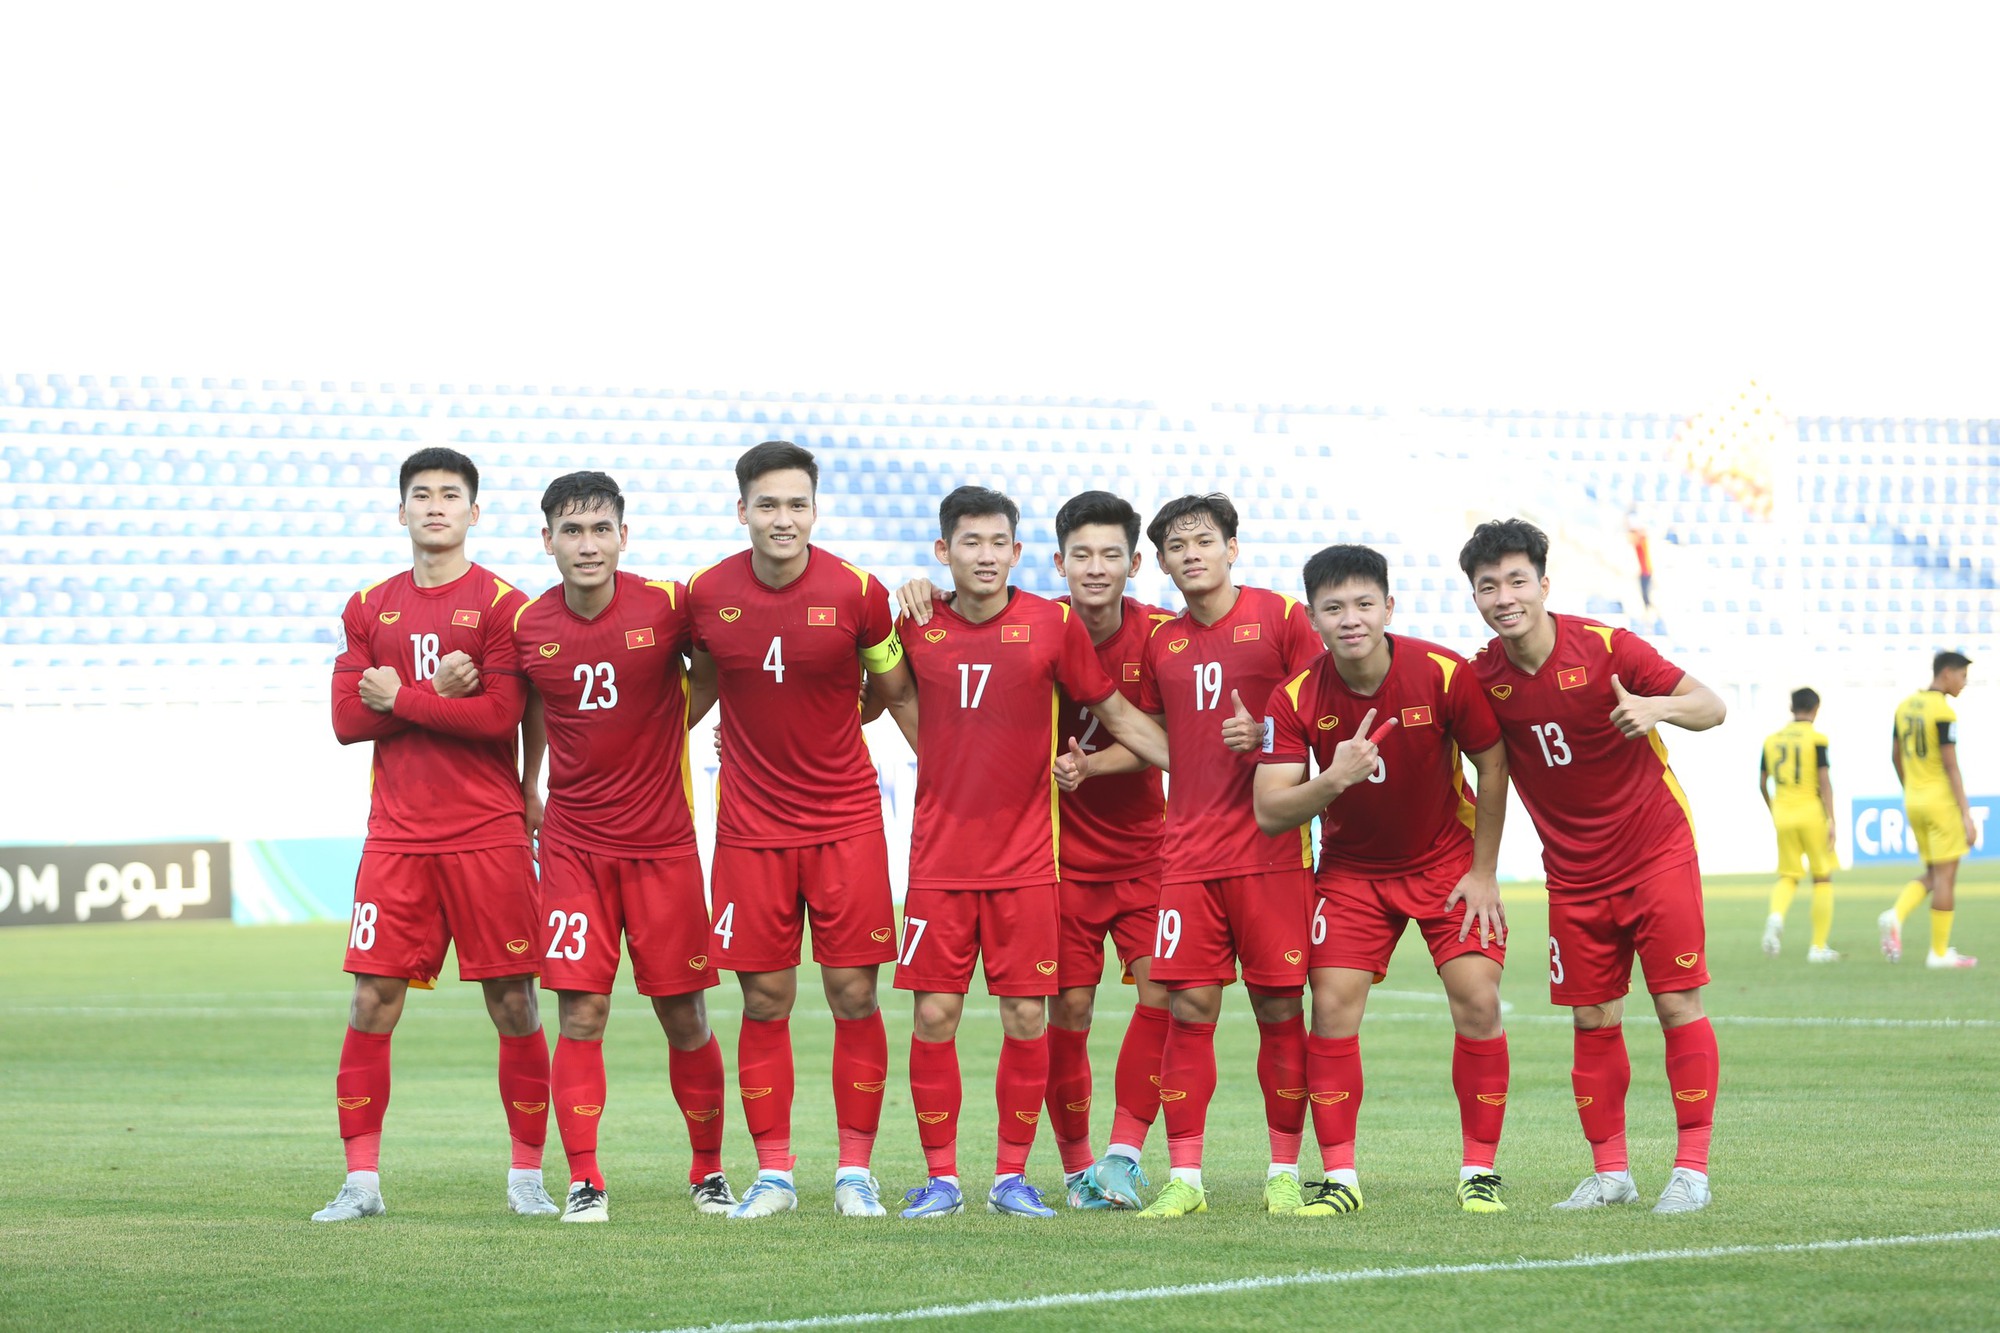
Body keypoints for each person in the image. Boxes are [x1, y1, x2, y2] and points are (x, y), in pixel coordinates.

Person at [877, 485, 1169, 1221]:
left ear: (1016, 551)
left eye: (997, 542)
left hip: (1031, 864)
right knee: (934, 1017)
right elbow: (865, 700)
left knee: (1028, 1021)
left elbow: (1115, 712)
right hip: (939, 862)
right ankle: (941, 1178)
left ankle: (1011, 1177)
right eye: (968, 542)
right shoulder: (914, 622)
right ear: (944, 553)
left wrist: (1200, 766)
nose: (984, 554)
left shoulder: (1051, 623)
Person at [1459, 518, 1727, 1215]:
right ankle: (1612, 1174)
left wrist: (1655, 706)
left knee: (1675, 1003)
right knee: (1591, 1019)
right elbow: (1485, 771)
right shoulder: (1482, 677)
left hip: (1655, 851)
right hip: (1573, 876)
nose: (1504, 596)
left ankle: (1691, 1171)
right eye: (1488, 586)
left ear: (1544, 584)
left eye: (1517, 580)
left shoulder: (1608, 647)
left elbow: (1712, 705)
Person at [316, 447, 554, 1223]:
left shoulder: (503, 606)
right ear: (401, 511)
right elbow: (348, 720)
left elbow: (497, 716)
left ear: (475, 513)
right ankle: (361, 1183)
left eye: (451, 495)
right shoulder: (367, 604)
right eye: (421, 495)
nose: (435, 506)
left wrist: (401, 696)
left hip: (488, 834)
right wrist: (430, 692)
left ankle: (526, 1177)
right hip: (397, 839)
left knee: (514, 1001)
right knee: (371, 1001)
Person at [683, 441, 909, 1219]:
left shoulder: (858, 591)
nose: (784, 519)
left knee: (853, 994)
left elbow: (895, 691)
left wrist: (949, 778)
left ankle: (855, 1170)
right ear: (741, 508)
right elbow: (699, 687)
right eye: (768, 505)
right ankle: (773, 1173)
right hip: (749, 830)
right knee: (765, 999)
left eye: (797, 504)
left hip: (846, 820)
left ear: (815, 508)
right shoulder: (705, 594)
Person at [1253, 544, 1513, 1216]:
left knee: (1477, 998)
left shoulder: (1444, 673)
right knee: (1332, 1008)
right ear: (1312, 617)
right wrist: (1334, 776)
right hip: (1351, 875)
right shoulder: (1298, 695)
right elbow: (1270, 808)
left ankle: (1480, 1170)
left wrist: (1484, 872)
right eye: (1333, 607)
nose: (1351, 618)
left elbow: (1492, 764)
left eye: (1364, 603)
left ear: (1389, 607)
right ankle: (1341, 1177)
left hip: (1445, 863)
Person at [501, 471, 731, 1223]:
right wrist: (530, 782)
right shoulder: (529, 626)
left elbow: (721, 661)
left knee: (685, 1016)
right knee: (581, 1015)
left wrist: (676, 725)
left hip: (663, 847)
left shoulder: (667, 604)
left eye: (601, 528)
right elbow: (531, 702)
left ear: (623, 535)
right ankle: (586, 1181)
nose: (588, 544)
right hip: (573, 849)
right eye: (572, 531)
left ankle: (708, 1171)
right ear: (548, 542)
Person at [1108, 493, 1324, 1220]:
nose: (1190, 552)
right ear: (1163, 562)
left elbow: (1327, 713)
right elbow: (1138, 724)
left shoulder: (1283, 618)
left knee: (1277, 1008)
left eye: (1204, 539)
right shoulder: (1160, 642)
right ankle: (1186, 1178)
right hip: (1189, 856)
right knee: (1188, 1007)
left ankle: (1284, 1171)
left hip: (1272, 851)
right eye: (1176, 545)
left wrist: (1264, 739)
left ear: (1233, 547)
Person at [1878, 652, 1979, 969]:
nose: (1964, 682)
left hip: (1915, 800)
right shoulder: (1943, 711)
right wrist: (1965, 813)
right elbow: (1951, 766)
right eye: (1962, 675)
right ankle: (1937, 952)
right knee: (1947, 875)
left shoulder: (1904, 706)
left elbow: (1895, 756)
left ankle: (1896, 915)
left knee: (1935, 873)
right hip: (1940, 800)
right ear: (1946, 674)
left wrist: (1911, 788)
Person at [1759, 688, 1839, 963]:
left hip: (1783, 813)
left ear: (1791, 707)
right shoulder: (1817, 738)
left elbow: (1761, 781)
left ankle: (1775, 916)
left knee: (1789, 876)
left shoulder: (1772, 740)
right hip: (1811, 813)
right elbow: (1824, 780)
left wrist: (1774, 809)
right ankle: (1818, 947)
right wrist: (1832, 819)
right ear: (1816, 709)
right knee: (1822, 878)